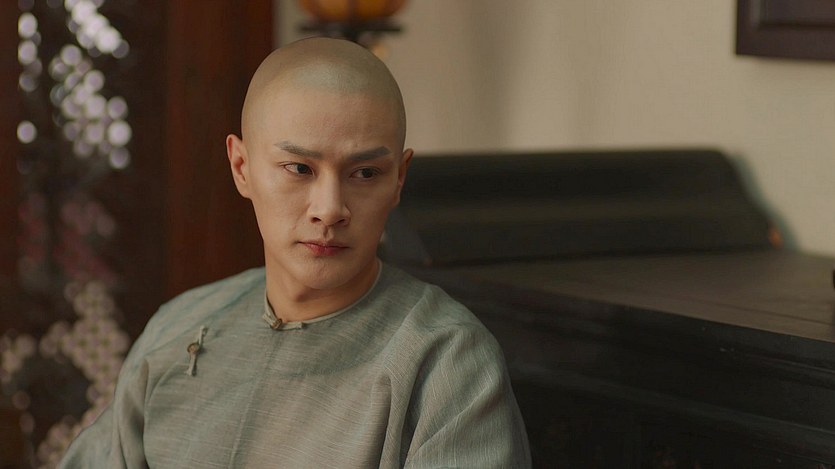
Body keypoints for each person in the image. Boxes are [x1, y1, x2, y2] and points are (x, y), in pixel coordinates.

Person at [59, 37, 531, 468]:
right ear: (241, 167)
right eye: (299, 168)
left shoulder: (445, 362)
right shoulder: (178, 328)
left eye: (365, 173)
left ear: (398, 180)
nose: (330, 209)